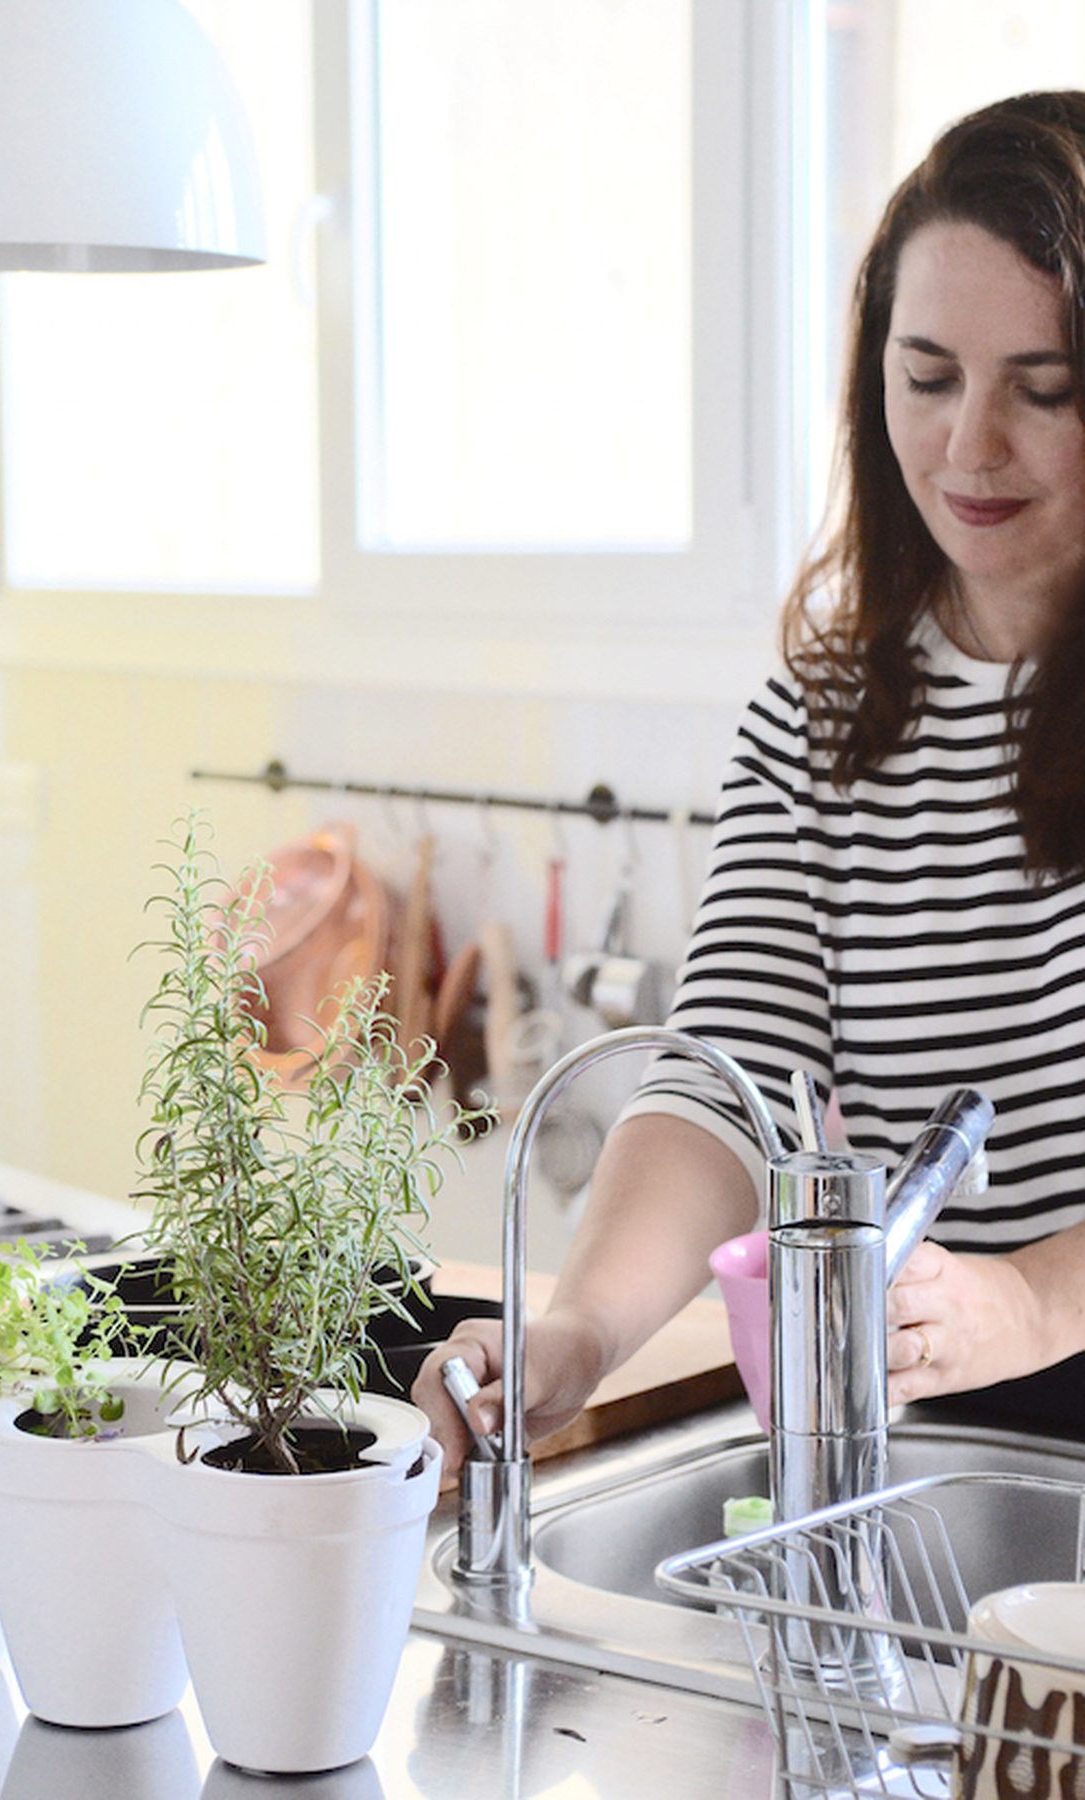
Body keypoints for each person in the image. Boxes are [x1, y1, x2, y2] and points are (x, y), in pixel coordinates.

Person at [415, 89, 1085, 1469]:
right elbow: (727, 1084)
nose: (970, 448)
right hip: (928, 1442)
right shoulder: (823, 711)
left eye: (1047, 387)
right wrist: (582, 1329)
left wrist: (1025, 1299)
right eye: (928, 374)